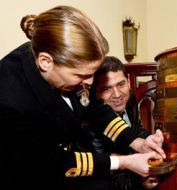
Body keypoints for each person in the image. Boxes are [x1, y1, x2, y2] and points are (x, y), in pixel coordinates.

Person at [0, 5, 165, 190]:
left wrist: (138, 142)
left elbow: (96, 109)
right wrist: (125, 162)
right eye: (81, 75)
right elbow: (51, 161)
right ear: (45, 62)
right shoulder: (9, 100)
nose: (90, 82)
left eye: (93, 73)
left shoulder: (59, 57)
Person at [88, 56, 160, 190]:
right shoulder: (90, 121)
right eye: (106, 89)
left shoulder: (129, 98)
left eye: (121, 84)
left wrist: (151, 141)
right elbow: (103, 175)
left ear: (128, 81)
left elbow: (137, 130)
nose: (117, 95)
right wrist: (139, 181)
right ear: (96, 93)